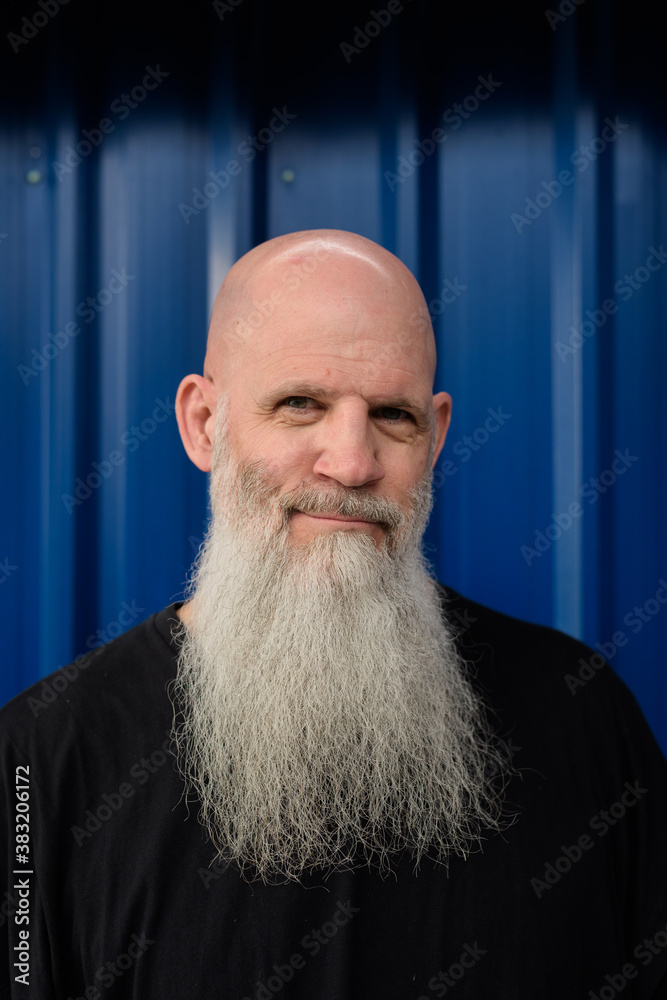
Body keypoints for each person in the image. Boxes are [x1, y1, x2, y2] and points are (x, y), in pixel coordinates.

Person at [2, 229, 666, 999]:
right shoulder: (40, 762)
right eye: (299, 404)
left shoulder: (580, 711)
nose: (351, 463)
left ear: (437, 435)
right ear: (203, 424)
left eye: (392, 415)